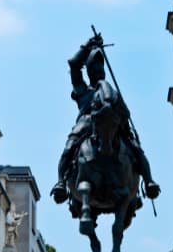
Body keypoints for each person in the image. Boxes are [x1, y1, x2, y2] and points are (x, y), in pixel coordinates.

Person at [51, 34, 160, 203]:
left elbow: (126, 113)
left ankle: (148, 181)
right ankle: (61, 182)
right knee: (69, 147)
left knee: (136, 148)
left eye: (100, 66)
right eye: (94, 67)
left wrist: (120, 114)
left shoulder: (112, 92)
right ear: (88, 71)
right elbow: (73, 64)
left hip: (114, 123)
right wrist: (87, 45)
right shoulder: (83, 90)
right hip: (87, 123)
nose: (98, 69)